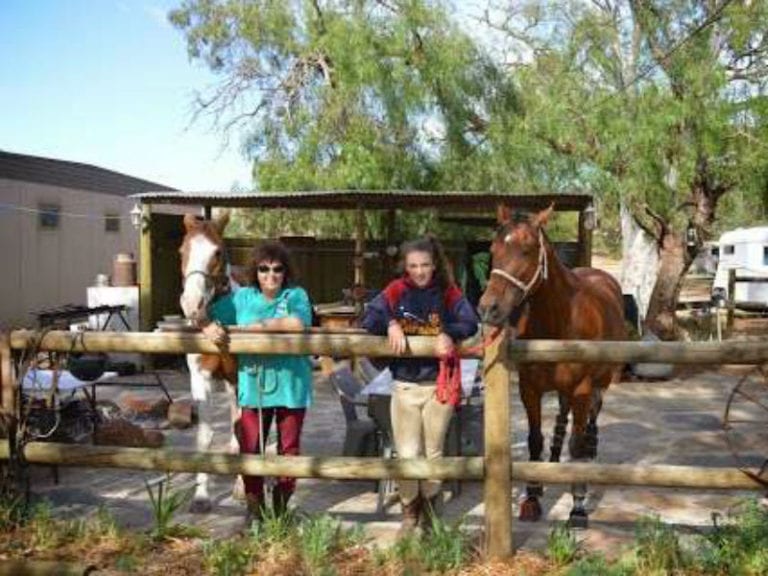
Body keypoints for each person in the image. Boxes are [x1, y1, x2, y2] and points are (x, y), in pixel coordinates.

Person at [361, 236, 479, 534]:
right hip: (404, 385)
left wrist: (449, 333)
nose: (419, 272)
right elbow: (370, 316)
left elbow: (470, 322)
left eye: (425, 265)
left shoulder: (448, 293)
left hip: (438, 386)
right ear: (405, 266)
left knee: (433, 453)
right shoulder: (396, 290)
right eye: (413, 266)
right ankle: (409, 511)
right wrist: (390, 323)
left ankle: (430, 512)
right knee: (407, 454)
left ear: (434, 264)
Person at [201, 240, 313, 522]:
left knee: (289, 451)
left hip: (290, 384)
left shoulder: (296, 295)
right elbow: (206, 313)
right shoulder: (243, 298)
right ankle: (254, 510)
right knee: (250, 447)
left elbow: (298, 323)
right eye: (264, 269)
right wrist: (206, 325)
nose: (271, 275)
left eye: (277, 269)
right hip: (253, 384)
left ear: (285, 272)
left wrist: (260, 327)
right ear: (256, 271)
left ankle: (280, 509)